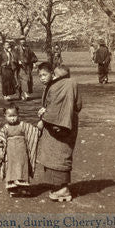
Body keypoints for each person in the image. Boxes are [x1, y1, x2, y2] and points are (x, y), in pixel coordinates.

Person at [35, 63, 82, 202]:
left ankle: (62, 189)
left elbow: (54, 108)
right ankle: (59, 187)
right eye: (40, 76)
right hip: (69, 124)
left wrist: (43, 119)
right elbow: (78, 105)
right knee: (62, 154)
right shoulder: (73, 84)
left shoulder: (56, 87)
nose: (43, 78)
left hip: (55, 126)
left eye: (48, 74)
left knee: (56, 154)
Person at [0, 104, 39, 196]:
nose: (12, 118)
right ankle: (13, 189)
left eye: (14, 116)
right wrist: (1, 153)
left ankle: (24, 188)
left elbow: (33, 131)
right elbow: (0, 141)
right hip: (10, 153)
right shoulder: (5, 128)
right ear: (5, 116)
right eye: (10, 116)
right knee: (11, 169)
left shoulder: (23, 125)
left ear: (18, 115)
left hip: (22, 152)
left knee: (23, 167)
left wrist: (40, 126)